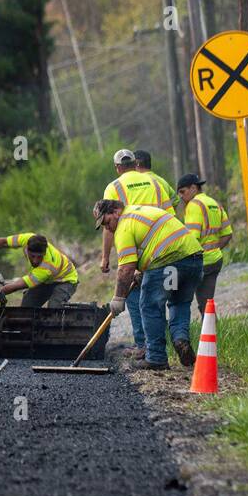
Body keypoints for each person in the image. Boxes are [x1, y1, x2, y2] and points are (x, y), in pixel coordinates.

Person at [93, 198, 204, 371]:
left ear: (116, 211)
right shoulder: (140, 211)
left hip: (169, 261)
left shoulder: (123, 226)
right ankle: (180, 339)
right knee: (178, 302)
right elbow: (152, 242)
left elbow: (125, 268)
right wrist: (143, 272)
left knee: (149, 306)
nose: (108, 228)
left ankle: (156, 357)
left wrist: (118, 298)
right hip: (193, 259)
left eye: (107, 222)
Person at [98, 148, 177, 360]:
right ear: (135, 164)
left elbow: (108, 225)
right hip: (164, 243)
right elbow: (171, 214)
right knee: (157, 297)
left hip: (134, 241)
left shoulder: (113, 187)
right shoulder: (156, 183)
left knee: (133, 294)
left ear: (117, 168)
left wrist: (105, 257)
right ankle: (161, 343)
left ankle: (144, 345)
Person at [176, 173, 234, 317]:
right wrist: (213, 249)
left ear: (194, 188)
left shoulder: (193, 205)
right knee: (207, 304)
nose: (181, 197)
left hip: (201, 263)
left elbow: (191, 239)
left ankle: (203, 336)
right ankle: (211, 336)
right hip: (215, 261)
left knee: (185, 301)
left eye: (183, 192)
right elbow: (227, 234)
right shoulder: (215, 203)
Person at [0, 232, 79, 307]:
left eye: (39, 257)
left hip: (66, 280)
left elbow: (17, 286)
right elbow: (4, 242)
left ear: (44, 253)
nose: (35, 261)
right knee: (27, 307)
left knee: (54, 309)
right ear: (26, 248)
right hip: (49, 280)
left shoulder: (47, 268)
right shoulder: (27, 238)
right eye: (32, 256)